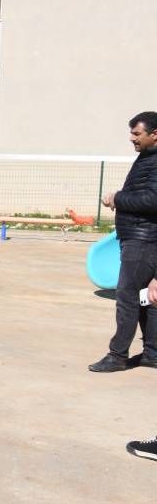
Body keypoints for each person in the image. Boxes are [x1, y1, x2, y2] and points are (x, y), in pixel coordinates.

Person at [90, 111, 157, 374]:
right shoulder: (147, 157)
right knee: (146, 299)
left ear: (155, 134)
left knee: (127, 297)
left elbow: (152, 200)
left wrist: (117, 198)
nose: (132, 138)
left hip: (143, 240)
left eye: (137, 133)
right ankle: (152, 353)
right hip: (138, 237)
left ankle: (117, 355)